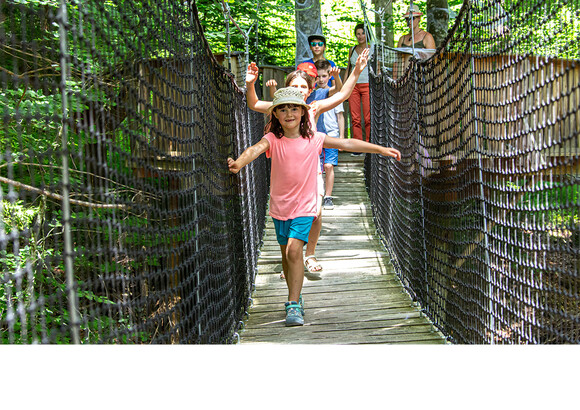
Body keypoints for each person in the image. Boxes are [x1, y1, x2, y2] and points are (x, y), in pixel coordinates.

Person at [227, 86, 401, 326]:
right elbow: (255, 150)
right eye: (283, 109)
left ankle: (293, 303)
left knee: (294, 251)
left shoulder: (315, 139)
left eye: (294, 108)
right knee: (286, 257)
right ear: (276, 115)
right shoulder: (272, 139)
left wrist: (380, 149)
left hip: (306, 206)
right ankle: (296, 296)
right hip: (280, 207)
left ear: (303, 112)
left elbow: (347, 143)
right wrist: (238, 163)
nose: (289, 113)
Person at [245, 48, 371, 277]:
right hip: (287, 175)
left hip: (312, 171)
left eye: (303, 88)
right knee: (292, 217)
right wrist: (251, 83)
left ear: (310, 90)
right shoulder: (279, 107)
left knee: (316, 213)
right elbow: (254, 104)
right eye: (294, 87)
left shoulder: (314, 108)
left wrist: (357, 71)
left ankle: (309, 254)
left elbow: (342, 96)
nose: (299, 91)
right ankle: (294, 260)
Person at [314, 59, 345, 210]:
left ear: (329, 76)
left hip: (331, 135)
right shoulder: (312, 95)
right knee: (318, 167)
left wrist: (341, 138)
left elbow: (340, 116)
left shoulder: (334, 95)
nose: (320, 79)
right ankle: (318, 194)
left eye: (324, 76)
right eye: (318, 76)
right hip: (316, 135)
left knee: (328, 166)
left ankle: (328, 196)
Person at [345, 23, 371, 155]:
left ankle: (368, 144)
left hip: (367, 84)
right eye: (358, 33)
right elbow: (348, 69)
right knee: (355, 118)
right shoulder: (352, 49)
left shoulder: (372, 48)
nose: (360, 36)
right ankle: (357, 146)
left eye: (362, 33)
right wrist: (344, 86)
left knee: (368, 118)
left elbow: (377, 69)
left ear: (367, 34)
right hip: (353, 86)